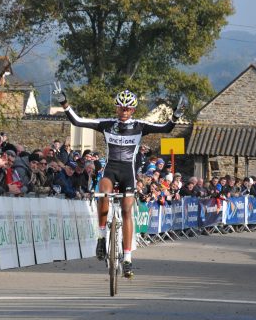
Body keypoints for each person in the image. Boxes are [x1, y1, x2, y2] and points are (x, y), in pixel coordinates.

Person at [56, 84, 183, 278]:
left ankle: (127, 259)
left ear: (132, 109)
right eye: (120, 108)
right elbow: (78, 121)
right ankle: (101, 237)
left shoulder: (140, 126)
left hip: (128, 173)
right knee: (103, 195)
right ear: (116, 107)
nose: (124, 111)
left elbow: (166, 128)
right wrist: (64, 102)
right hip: (111, 169)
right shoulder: (107, 124)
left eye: (127, 108)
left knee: (126, 211)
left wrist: (176, 115)